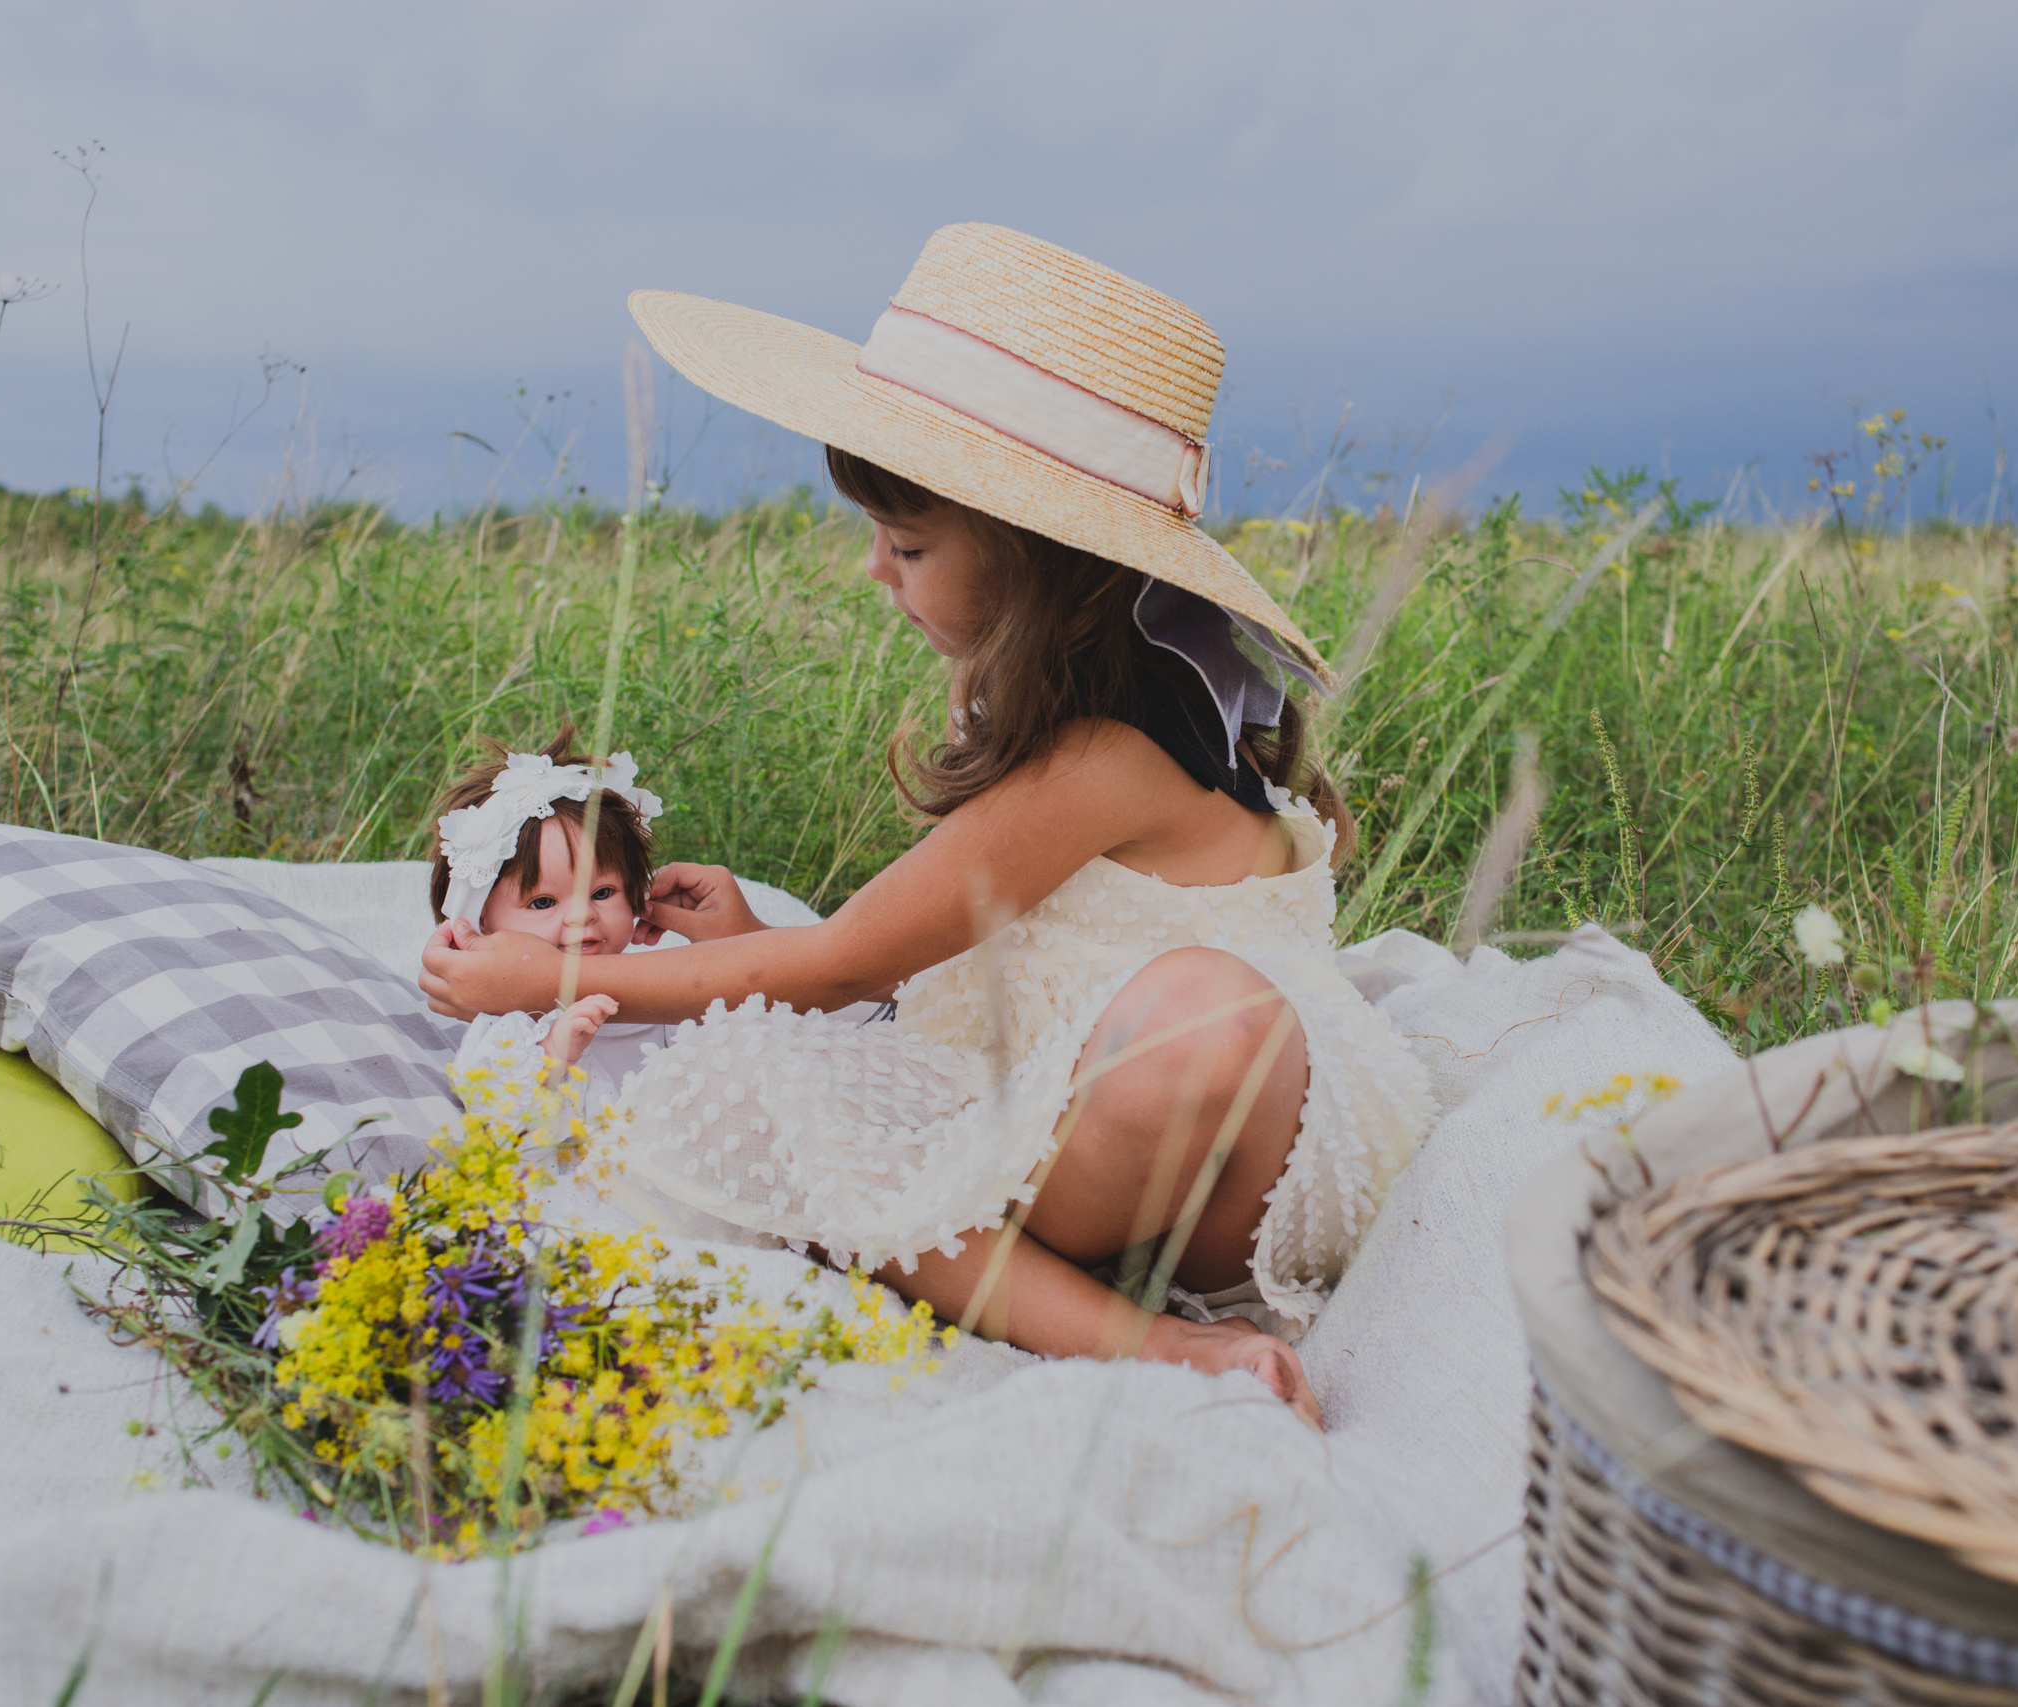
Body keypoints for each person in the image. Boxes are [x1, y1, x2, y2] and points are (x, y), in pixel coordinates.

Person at [420, 224, 1436, 1426]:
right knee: (863, 1076)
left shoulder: (1106, 758)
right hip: (1194, 1128)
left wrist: (555, 978)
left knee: (775, 1091)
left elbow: (848, 955)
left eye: (907, 544)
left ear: (1041, 565)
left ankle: (1154, 1344)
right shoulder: (1144, 704)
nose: (874, 574)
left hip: (1212, 1168)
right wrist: (749, 938)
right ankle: (1068, 1285)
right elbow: (991, 956)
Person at [423, 730, 668, 1093]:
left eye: (603, 892)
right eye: (543, 902)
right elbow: (501, 1125)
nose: (582, 915)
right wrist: (552, 1056)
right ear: (479, 925)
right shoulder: (506, 1028)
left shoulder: (665, 989)